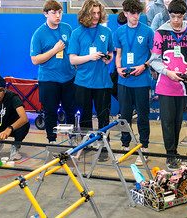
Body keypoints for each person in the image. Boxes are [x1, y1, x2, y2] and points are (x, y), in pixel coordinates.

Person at [149, 0, 187, 170]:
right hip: (165, 84)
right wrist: (167, 72)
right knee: (168, 121)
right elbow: (154, 60)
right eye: (173, 16)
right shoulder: (160, 33)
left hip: (183, 85)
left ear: (184, 15)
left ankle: (174, 151)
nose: (176, 20)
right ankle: (170, 154)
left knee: (178, 121)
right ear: (168, 15)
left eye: (179, 16)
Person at [68, 0, 114, 162]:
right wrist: (90, 57)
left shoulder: (106, 31)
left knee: (103, 117)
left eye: (98, 13)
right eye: (93, 13)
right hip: (83, 82)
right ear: (85, 14)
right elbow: (73, 60)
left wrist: (108, 58)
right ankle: (86, 144)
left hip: (102, 83)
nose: (96, 16)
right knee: (85, 116)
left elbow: (111, 52)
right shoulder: (76, 33)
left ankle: (103, 147)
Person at [114, 0, 154, 165]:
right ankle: (125, 145)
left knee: (143, 116)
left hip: (142, 81)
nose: (135, 16)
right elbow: (118, 54)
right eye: (132, 13)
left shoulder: (148, 31)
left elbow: (154, 55)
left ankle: (144, 147)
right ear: (125, 13)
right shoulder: (119, 32)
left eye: (138, 13)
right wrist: (118, 68)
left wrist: (144, 66)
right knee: (124, 116)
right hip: (124, 81)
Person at [30, 0, 76, 143]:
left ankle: (72, 138)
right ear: (45, 14)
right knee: (50, 112)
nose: (58, 16)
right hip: (48, 80)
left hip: (68, 78)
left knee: (70, 111)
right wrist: (54, 50)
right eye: (54, 12)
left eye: (60, 12)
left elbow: (73, 50)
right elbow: (35, 60)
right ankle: (52, 140)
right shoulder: (39, 34)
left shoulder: (67, 28)